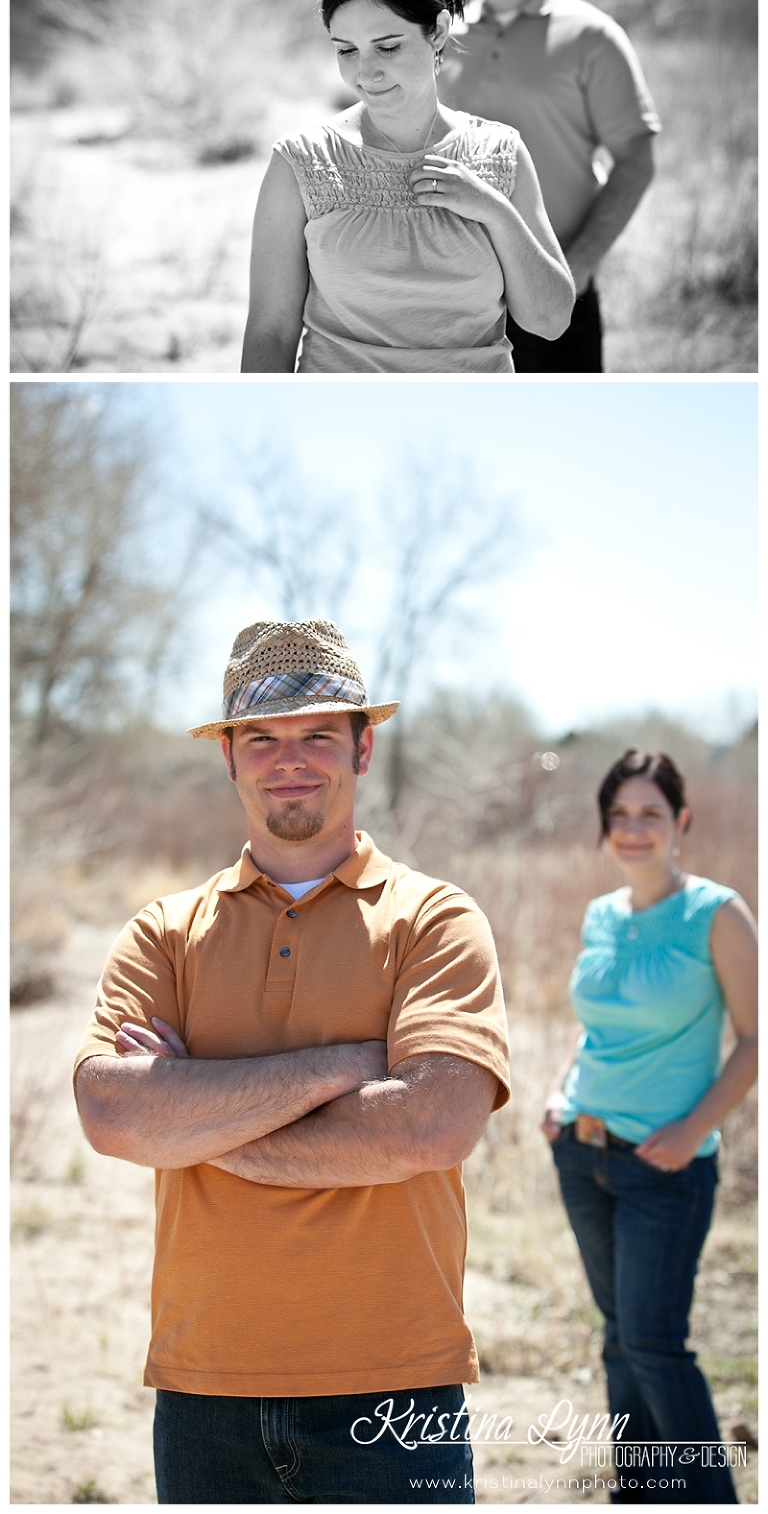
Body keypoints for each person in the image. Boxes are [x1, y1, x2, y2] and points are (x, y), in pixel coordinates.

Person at [74, 618, 511, 1505]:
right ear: (228, 755)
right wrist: (348, 1065)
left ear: (364, 749)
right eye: (263, 738)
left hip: (394, 1388)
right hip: (204, 1390)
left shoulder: (436, 919)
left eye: (319, 734)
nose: (291, 759)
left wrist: (195, 1123)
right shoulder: (164, 933)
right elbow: (114, 1115)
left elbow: (433, 1123)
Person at [540, 750, 757, 1504]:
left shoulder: (717, 913)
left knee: (656, 1346)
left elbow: (756, 1038)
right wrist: (561, 1093)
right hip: (583, 1154)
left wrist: (693, 1126)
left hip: (666, 1168)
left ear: (681, 823)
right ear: (605, 828)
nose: (634, 831)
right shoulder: (601, 914)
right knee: (618, 1340)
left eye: (651, 815)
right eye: (620, 816)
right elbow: (593, 1027)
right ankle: (640, 1497)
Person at [241, 0, 574, 373]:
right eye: (346, 51)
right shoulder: (300, 163)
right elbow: (270, 331)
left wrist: (494, 211)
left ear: (436, 30)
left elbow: (550, 321)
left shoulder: (500, 153)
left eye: (388, 46)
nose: (366, 72)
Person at [441, 0, 661, 372]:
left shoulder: (593, 36)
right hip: (454, 301)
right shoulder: (443, 39)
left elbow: (635, 161)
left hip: (554, 298)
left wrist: (577, 268)